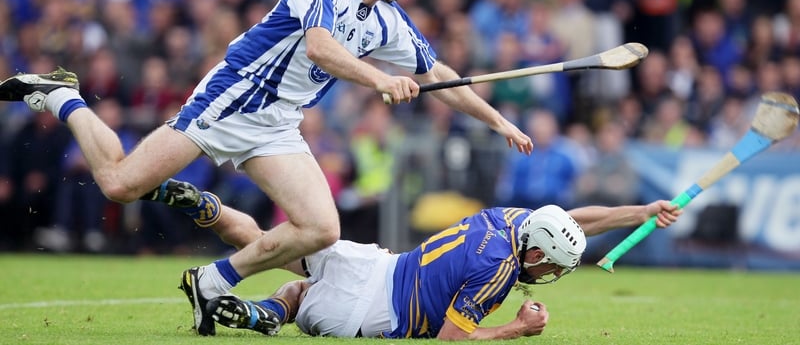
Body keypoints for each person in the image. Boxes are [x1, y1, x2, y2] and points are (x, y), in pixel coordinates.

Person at [0, 0, 532, 336]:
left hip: (278, 123)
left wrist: (498, 121)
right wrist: (380, 80)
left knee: (321, 229)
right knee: (119, 184)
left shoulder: (388, 22)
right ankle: (64, 96)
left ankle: (212, 281)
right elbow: (320, 47)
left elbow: (439, 75)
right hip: (235, 97)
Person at [190, 189, 681, 339]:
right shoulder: (499, 272)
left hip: (375, 265)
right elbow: (451, 340)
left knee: (271, 246)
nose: (549, 276)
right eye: (552, 268)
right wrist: (517, 328)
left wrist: (639, 213)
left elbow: (571, 221)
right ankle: (261, 314)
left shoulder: (512, 219)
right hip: (371, 312)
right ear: (535, 255)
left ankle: (207, 210)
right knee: (303, 296)